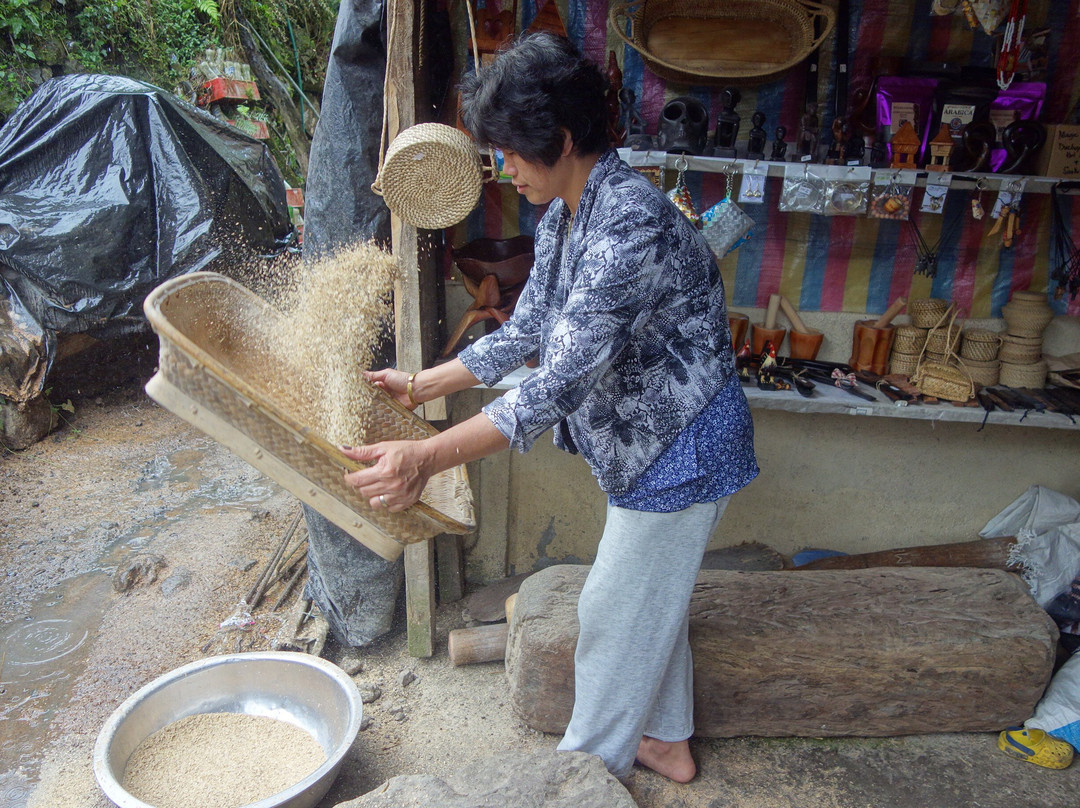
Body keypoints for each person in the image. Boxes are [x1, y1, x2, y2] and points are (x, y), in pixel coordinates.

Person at [341, 32, 758, 784]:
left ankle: (582, 780)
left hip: (682, 447)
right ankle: (664, 741)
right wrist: (423, 384)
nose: (502, 170)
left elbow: (556, 383)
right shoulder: (569, 214)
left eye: (510, 152)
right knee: (644, 602)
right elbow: (530, 329)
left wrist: (426, 456)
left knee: (611, 615)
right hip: (650, 444)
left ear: (562, 140)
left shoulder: (629, 225)